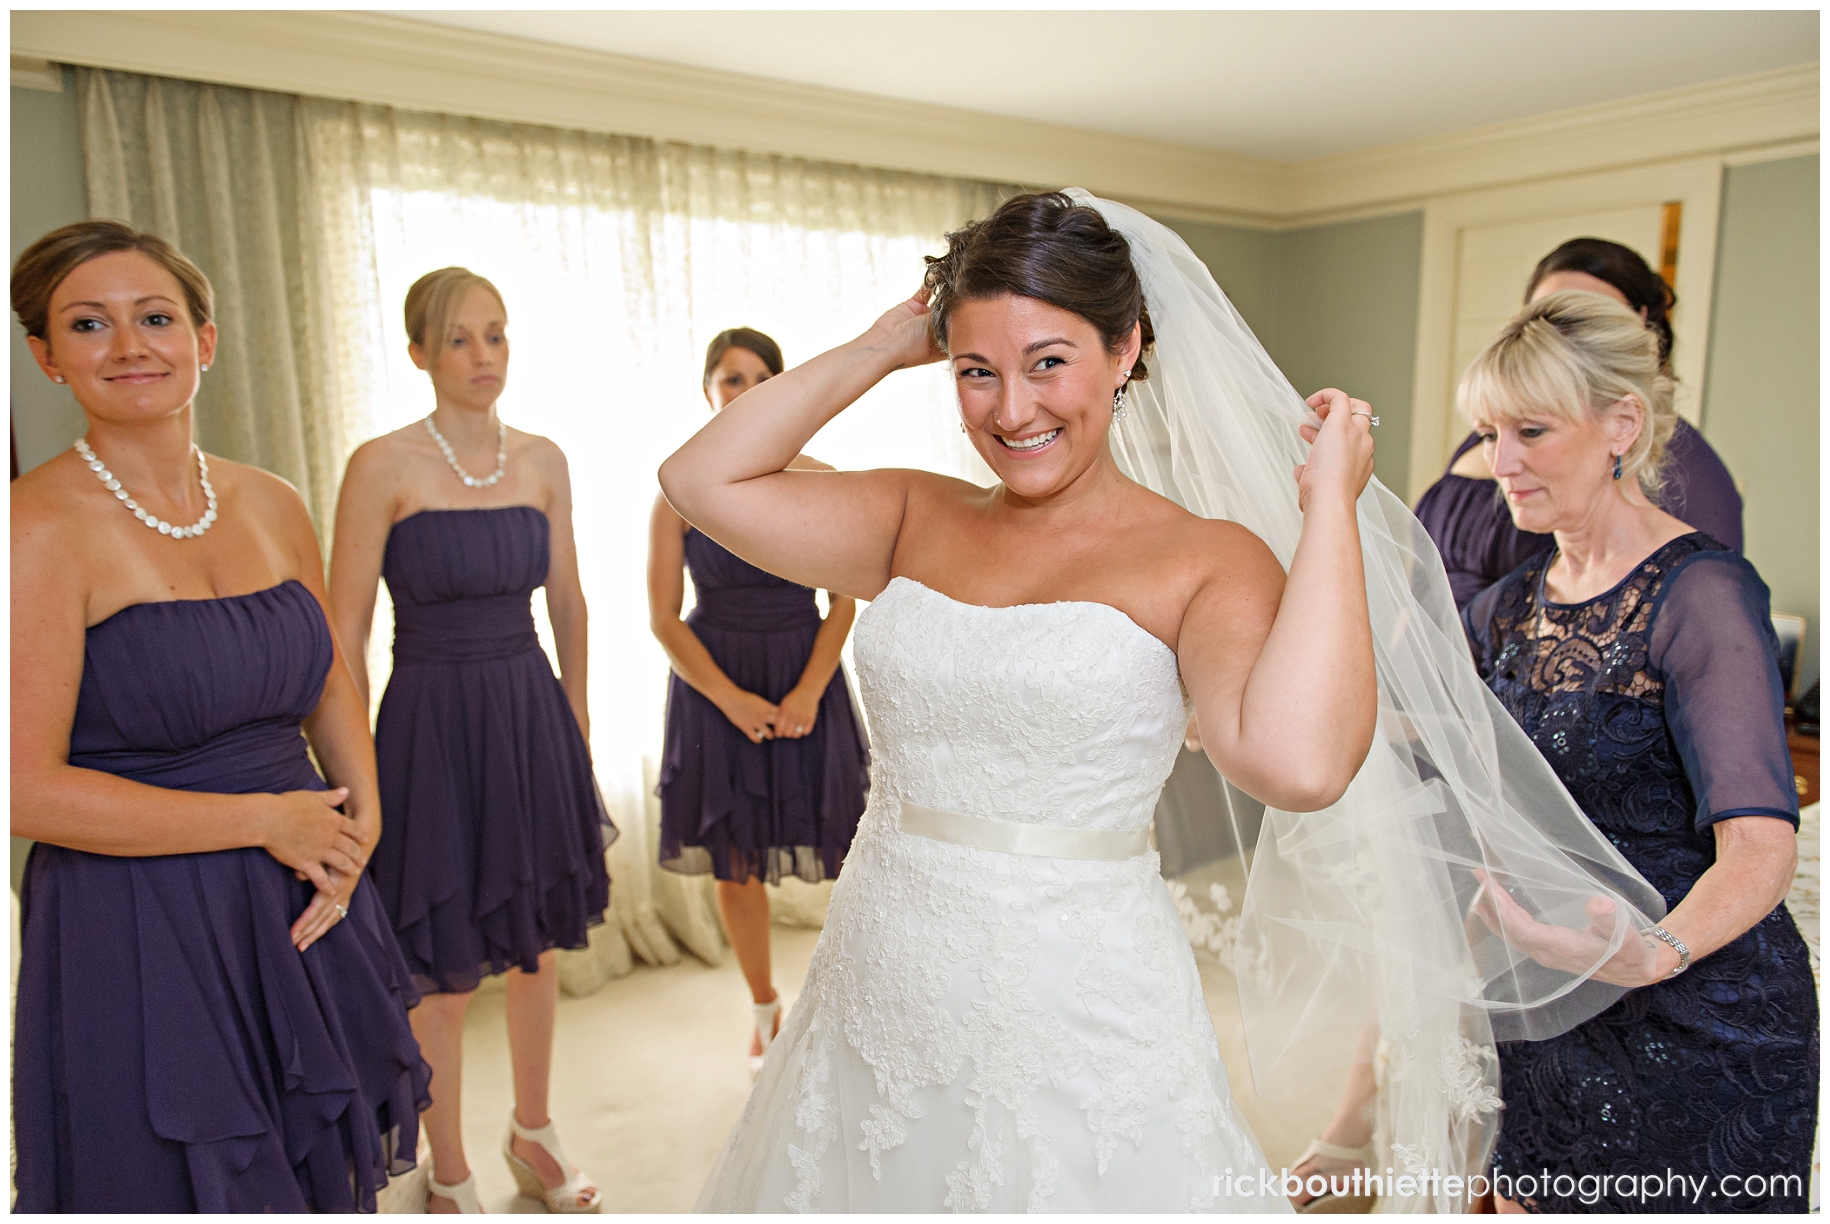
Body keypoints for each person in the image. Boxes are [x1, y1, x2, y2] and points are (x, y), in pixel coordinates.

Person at [663, 191, 1663, 1212]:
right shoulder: (911, 513)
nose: (1012, 410)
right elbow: (700, 479)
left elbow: (1301, 766)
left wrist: (1329, 512)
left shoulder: (1202, 559)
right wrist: (883, 342)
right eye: (977, 369)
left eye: (1049, 361)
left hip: (1077, 993)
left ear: (1126, 346)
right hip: (882, 961)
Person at [10, 221, 430, 1211]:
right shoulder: (34, 527)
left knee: (321, 1168)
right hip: (142, 917)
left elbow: (328, 680)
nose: (129, 346)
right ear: (47, 358)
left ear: (204, 339)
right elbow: (21, 787)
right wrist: (261, 821)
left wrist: (359, 819)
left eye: (155, 317)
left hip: (303, 889)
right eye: (88, 325)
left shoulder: (272, 501)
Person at [1459, 291, 1815, 1212]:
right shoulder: (1506, 607)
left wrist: (1652, 951)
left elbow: (1762, 846)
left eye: (1531, 431)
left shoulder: (1703, 596)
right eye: (1490, 432)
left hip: (1696, 1022)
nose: (1500, 463)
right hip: (1546, 1010)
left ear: (1621, 425)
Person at [328, 268, 609, 1213]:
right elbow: (343, 635)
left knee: (534, 950)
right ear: (418, 353)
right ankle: (444, 1166)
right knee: (436, 970)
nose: (484, 356)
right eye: (460, 339)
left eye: (497, 334)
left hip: (529, 718)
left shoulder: (542, 460)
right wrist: (357, 775)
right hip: (429, 731)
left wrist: (574, 731)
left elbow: (568, 602)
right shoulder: (382, 466)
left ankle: (533, 1131)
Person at [647, 328, 870, 1074]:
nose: (742, 393)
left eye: (757, 379)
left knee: (846, 849)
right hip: (716, 685)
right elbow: (663, 618)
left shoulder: (821, 477)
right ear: (708, 391)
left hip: (805, 671)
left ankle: (850, 1004)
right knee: (735, 861)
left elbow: (844, 601)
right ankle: (763, 1008)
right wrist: (731, 701)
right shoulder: (679, 488)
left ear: (780, 387)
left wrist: (809, 689)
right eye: (728, 380)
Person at [1414, 237, 1742, 609]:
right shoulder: (1486, 444)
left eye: (1583, 317)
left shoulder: (1688, 471)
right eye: (1546, 316)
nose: (1560, 337)